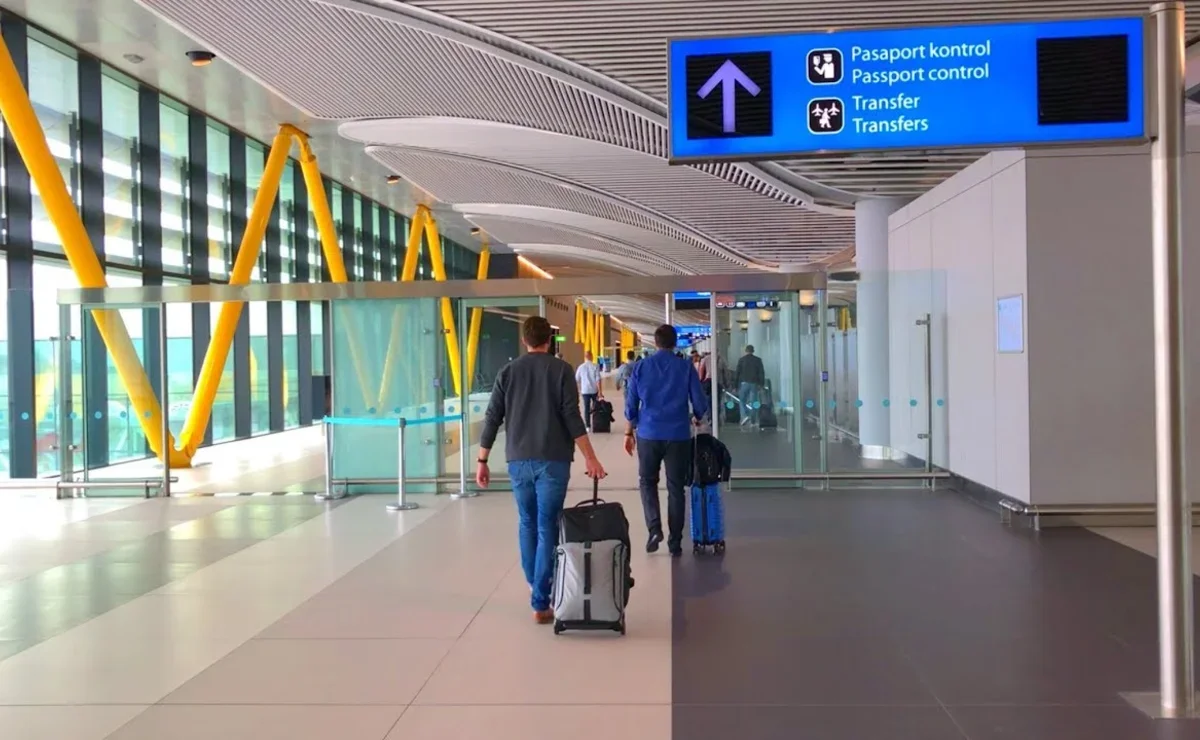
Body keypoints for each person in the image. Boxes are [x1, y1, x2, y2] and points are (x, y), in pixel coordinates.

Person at [477, 316, 607, 624]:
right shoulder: (561, 370)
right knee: (547, 524)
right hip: (553, 459)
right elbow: (572, 417)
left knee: (527, 522)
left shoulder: (507, 372)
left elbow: (493, 417)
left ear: (524, 340)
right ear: (549, 340)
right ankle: (540, 598)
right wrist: (590, 457)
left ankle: (534, 583)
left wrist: (482, 460)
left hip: (518, 460)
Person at [624, 324, 709, 557]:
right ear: (675, 343)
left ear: (655, 342)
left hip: (648, 434)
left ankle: (654, 529)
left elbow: (631, 405)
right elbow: (699, 401)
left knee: (647, 482)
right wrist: (698, 416)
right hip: (678, 435)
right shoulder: (685, 367)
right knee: (676, 488)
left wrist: (629, 431)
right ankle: (675, 542)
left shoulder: (641, 367)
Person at [736, 344, 766, 426]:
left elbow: (737, 373)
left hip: (744, 383)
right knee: (754, 402)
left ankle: (745, 416)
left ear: (746, 351)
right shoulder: (758, 360)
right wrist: (761, 384)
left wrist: (735, 385)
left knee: (742, 400)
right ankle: (753, 420)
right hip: (754, 383)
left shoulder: (741, 360)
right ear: (753, 351)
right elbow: (761, 373)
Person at [575, 351, 602, 430]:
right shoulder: (595, 366)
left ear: (585, 357)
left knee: (586, 408)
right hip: (594, 390)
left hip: (585, 391)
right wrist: (600, 392)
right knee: (595, 407)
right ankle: (596, 424)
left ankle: (587, 426)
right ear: (591, 356)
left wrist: (578, 389)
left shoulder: (581, 367)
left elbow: (576, 379)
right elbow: (598, 380)